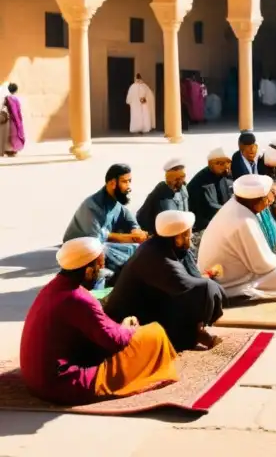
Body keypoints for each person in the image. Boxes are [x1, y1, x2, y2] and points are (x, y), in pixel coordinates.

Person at [20, 237, 178, 406]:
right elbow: (113, 341)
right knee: (155, 332)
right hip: (61, 384)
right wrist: (128, 328)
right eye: (100, 265)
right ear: (88, 271)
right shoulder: (78, 298)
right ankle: (154, 370)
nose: (103, 269)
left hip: (35, 379)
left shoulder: (54, 287)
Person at [105, 210, 226, 351]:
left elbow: (193, 278)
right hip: (127, 323)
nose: (191, 236)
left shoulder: (169, 247)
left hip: (150, 308)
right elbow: (192, 288)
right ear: (178, 237)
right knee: (203, 291)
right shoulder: (157, 257)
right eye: (188, 233)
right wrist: (211, 289)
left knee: (198, 291)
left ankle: (193, 334)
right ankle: (189, 336)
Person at [197, 174, 276, 300]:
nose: (268, 204)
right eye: (266, 200)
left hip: (225, 274)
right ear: (257, 200)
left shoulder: (235, 205)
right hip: (228, 282)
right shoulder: (243, 220)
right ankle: (241, 294)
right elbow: (261, 266)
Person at [64, 164, 147, 283]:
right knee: (121, 263)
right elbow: (96, 239)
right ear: (113, 183)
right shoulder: (92, 206)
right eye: (125, 182)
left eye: (129, 181)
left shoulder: (115, 199)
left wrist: (135, 230)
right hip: (81, 249)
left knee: (139, 250)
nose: (128, 187)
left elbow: (128, 218)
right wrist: (130, 238)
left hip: (102, 244)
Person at [136, 158, 190, 236]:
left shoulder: (183, 189)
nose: (182, 181)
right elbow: (142, 216)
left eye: (183, 177)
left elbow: (185, 212)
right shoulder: (161, 193)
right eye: (177, 179)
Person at [187, 147, 234, 233]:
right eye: (220, 163)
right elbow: (211, 206)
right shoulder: (204, 182)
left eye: (228, 162)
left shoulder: (224, 174)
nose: (225, 166)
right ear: (210, 164)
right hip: (203, 225)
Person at [1, 81, 26, 157]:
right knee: (14, 135)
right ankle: (12, 150)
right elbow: (16, 111)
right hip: (14, 119)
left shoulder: (6, 98)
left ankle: (7, 150)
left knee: (8, 135)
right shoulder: (15, 99)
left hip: (8, 119)